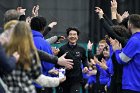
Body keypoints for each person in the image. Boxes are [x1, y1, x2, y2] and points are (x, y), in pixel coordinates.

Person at [56, 27, 89, 93]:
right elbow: (57, 63)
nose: (72, 36)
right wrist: (63, 68)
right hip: (64, 80)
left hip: (76, 79)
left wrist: (86, 66)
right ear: (67, 37)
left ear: (77, 36)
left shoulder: (82, 49)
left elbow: (84, 59)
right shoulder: (62, 49)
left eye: (74, 34)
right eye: (70, 34)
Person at [113, 14, 140, 93]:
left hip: (133, 85)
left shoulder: (134, 40)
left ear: (130, 25)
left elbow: (122, 59)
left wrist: (117, 50)